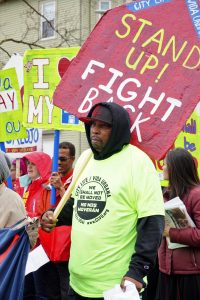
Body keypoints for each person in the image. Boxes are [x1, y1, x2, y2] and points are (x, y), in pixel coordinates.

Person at [41, 102, 165, 300]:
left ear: (118, 130)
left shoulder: (139, 163)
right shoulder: (85, 158)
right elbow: (78, 206)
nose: (95, 130)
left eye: (104, 126)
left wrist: (137, 271)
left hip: (117, 287)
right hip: (77, 282)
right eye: (92, 124)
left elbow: (152, 223)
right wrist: (51, 215)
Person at [156, 148, 200, 300]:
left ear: (176, 167)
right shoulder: (167, 193)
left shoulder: (196, 195)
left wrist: (171, 232)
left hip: (190, 273)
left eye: (166, 164)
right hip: (166, 270)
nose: (163, 167)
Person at [38, 142, 75, 300]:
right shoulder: (47, 183)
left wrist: (61, 188)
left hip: (67, 249)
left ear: (72, 159)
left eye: (63, 159)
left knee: (66, 292)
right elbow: (42, 211)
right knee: (48, 292)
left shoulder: (77, 180)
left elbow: (75, 208)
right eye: (56, 158)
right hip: (47, 247)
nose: (58, 162)